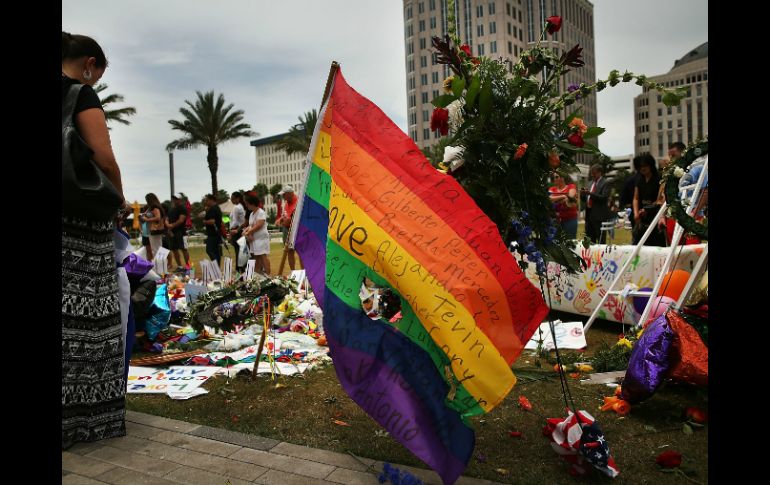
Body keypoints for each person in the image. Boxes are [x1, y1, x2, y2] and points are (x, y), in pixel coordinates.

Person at [62, 31, 127, 449]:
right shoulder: (80, 94)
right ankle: (85, 416)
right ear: (89, 64)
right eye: (98, 75)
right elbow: (103, 156)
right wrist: (118, 197)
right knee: (86, 318)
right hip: (78, 221)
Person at [632, 154, 666, 246]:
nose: (642, 168)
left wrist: (647, 209)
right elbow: (635, 198)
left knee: (656, 243)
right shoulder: (639, 179)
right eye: (640, 166)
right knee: (640, 243)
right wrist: (636, 213)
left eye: (645, 166)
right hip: (642, 217)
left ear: (650, 165)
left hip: (656, 215)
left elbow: (660, 199)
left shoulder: (659, 178)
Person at [580, 164, 611, 244]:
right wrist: (582, 195)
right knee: (589, 240)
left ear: (600, 172)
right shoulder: (590, 183)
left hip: (599, 216)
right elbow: (585, 200)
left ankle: (601, 253)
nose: (592, 175)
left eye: (594, 173)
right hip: (589, 216)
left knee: (601, 241)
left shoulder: (606, 182)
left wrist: (590, 193)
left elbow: (604, 197)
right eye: (591, 173)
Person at [242, 192, 271, 274]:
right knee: (256, 257)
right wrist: (245, 230)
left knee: (263, 256)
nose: (246, 206)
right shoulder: (251, 214)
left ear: (252, 203)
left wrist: (248, 232)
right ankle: (257, 275)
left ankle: (268, 276)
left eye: (247, 204)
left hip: (261, 239)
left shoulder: (260, 212)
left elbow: (259, 225)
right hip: (254, 239)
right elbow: (251, 225)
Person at [548, 173, 578, 239]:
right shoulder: (552, 189)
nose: (554, 179)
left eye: (556, 177)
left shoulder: (571, 186)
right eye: (554, 177)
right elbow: (549, 199)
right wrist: (563, 196)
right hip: (556, 220)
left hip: (570, 219)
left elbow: (570, 198)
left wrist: (556, 200)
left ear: (562, 178)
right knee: (555, 241)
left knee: (570, 241)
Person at [275, 185, 299, 271]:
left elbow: (291, 219)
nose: (283, 197)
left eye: (284, 194)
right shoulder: (286, 203)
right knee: (289, 251)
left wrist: (285, 222)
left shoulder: (298, 202)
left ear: (290, 194)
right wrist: (280, 220)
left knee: (301, 252)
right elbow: (285, 215)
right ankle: (293, 272)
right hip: (287, 230)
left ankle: (305, 273)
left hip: (297, 230)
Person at [165, 194, 191, 272]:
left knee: (184, 249)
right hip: (172, 233)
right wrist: (167, 224)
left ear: (180, 200)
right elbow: (166, 218)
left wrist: (171, 225)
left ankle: (188, 266)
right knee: (174, 250)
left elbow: (181, 220)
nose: (174, 200)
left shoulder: (183, 209)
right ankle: (179, 266)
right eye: (173, 198)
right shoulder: (171, 209)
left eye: (176, 199)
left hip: (181, 232)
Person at [140, 193, 165, 259]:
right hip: (155, 230)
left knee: (156, 249)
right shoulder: (156, 207)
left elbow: (158, 217)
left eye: (147, 200)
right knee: (158, 249)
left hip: (155, 230)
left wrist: (146, 219)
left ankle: (159, 264)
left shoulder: (154, 207)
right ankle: (161, 263)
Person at [228, 192, 247, 271]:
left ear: (238, 198)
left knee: (238, 251)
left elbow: (235, 222)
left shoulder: (237, 207)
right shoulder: (242, 206)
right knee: (241, 251)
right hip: (241, 230)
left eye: (233, 199)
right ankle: (242, 269)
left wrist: (231, 232)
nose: (231, 200)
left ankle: (239, 269)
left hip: (236, 230)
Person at [203, 194, 223, 265]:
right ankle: (217, 266)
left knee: (209, 250)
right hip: (215, 233)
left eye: (207, 200)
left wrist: (205, 221)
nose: (206, 202)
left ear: (211, 200)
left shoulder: (214, 209)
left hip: (213, 234)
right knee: (215, 251)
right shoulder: (216, 208)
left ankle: (215, 265)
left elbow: (212, 221)